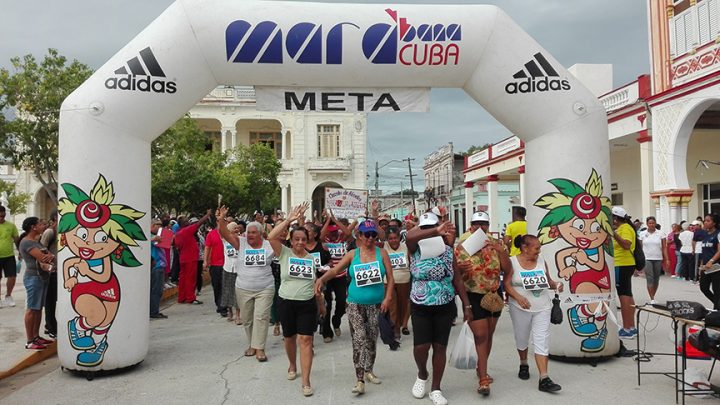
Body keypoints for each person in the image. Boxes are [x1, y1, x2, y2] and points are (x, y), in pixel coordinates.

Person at [315, 219, 394, 395]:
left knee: (372, 340)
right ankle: (359, 379)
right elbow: (336, 270)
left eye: (373, 234)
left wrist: (388, 298)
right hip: (355, 304)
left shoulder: (382, 253)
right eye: (367, 234)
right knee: (359, 339)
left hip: (376, 304)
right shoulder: (353, 254)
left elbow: (390, 277)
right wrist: (321, 279)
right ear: (359, 235)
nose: (370, 238)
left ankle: (369, 370)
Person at [407, 212, 470, 405]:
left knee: (440, 347)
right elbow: (409, 236)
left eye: (432, 227)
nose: (428, 232)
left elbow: (457, 278)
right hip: (420, 303)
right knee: (421, 347)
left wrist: (466, 305)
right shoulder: (414, 248)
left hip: (445, 303)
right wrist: (434, 230)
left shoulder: (447, 250)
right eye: (425, 228)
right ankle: (422, 373)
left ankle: (436, 388)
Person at [267, 202, 325, 397]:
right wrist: (289, 220)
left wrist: (320, 303)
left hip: (306, 303)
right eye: (296, 239)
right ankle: (292, 363)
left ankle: (306, 381)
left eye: (303, 239)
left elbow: (315, 283)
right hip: (286, 301)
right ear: (291, 240)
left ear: (307, 240)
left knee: (306, 339)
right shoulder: (283, 253)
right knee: (289, 338)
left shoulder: (311, 259)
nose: (300, 242)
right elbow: (271, 236)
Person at [454, 211, 511, 396]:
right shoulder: (462, 247)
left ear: (488, 226)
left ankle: (481, 367)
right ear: (470, 226)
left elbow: (507, 269)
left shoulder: (497, 244)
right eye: (476, 223)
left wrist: (501, 251)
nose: (480, 227)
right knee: (481, 335)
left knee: (489, 334)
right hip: (473, 295)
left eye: (483, 224)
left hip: (493, 294)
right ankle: (483, 379)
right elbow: (457, 277)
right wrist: (461, 271)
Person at [503, 235, 563, 392]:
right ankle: (523, 363)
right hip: (520, 307)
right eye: (536, 248)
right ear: (525, 247)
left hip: (543, 307)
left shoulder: (542, 261)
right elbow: (507, 285)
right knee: (522, 337)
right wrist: (518, 297)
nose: (539, 250)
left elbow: (549, 281)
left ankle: (544, 378)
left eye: (539, 247)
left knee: (541, 340)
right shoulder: (512, 262)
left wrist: (556, 284)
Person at [218, 215, 275, 362]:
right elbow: (224, 233)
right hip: (243, 288)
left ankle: (260, 348)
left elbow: (276, 234)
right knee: (247, 319)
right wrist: (221, 219)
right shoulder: (241, 243)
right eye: (249, 232)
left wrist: (287, 221)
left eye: (254, 232)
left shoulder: (269, 245)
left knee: (261, 317)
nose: (250, 235)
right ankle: (252, 344)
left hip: (265, 287)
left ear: (261, 234)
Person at [18, 217, 54, 349]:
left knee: (38, 309)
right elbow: (43, 257)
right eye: (40, 224)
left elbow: (50, 256)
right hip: (33, 278)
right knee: (32, 309)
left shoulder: (37, 242)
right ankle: (30, 341)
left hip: (42, 278)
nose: (43, 226)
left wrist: (50, 256)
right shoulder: (27, 242)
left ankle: (36, 336)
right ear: (33, 227)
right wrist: (49, 257)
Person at [174, 211, 212, 304]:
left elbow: (177, 247)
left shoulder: (178, 234)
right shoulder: (187, 230)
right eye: (187, 221)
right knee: (191, 278)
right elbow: (199, 223)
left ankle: (182, 297)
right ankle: (190, 297)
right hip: (190, 258)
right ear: (184, 223)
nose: (189, 223)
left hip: (183, 258)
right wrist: (207, 215)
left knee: (183, 279)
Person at [612, 206, 637, 339]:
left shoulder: (625, 228)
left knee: (624, 296)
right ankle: (631, 326)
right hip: (625, 264)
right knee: (627, 294)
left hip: (622, 264)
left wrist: (614, 234)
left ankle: (627, 328)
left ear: (615, 218)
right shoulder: (624, 228)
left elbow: (626, 244)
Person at [384, 227, 411, 338]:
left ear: (399, 238)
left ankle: (399, 324)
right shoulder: (384, 247)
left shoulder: (406, 247)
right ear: (387, 239)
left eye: (395, 238)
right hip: (388, 281)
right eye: (390, 238)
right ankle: (395, 330)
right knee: (392, 305)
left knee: (403, 305)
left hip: (404, 281)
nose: (393, 240)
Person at [639, 217, 667, 304]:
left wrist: (667, 259)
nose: (651, 225)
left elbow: (664, 247)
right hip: (647, 258)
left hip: (658, 258)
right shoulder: (642, 233)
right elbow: (640, 247)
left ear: (655, 223)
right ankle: (652, 298)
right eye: (650, 223)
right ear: (647, 224)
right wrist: (639, 258)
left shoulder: (660, 233)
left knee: (656, 278)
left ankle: (653, 295)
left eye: (653, 223)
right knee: (650, 278)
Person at [40, 211, 59, 337]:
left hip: (61, 272)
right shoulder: (50, 232)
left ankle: (52, 325)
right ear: (55, 218)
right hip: (52, 272)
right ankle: (50, 326)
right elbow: (41, 249)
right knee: (50, 301)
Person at [204, 220, 228, 317]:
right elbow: (207, 247)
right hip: (214, 264)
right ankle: (218, 303)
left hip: (226, 264)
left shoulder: (228, 234)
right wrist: (205, 261)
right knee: (216, 285)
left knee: (224, 285)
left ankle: (223, 307)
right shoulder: (211, 234)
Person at [220, 222, 241, 324]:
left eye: (237, 228)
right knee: (227, 291)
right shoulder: (225, 241)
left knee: (238, 293)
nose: (236, 230)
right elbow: (222, 231)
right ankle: (230, 312)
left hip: (239, 269)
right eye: (234, 228)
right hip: (228, 268)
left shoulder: (241, 240)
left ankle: (238, 315)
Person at [698, 214, 720, 310]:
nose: (705, 223)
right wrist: (701, 265)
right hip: (706, 266)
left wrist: (712, 261)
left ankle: (717, 310)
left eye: (708, 221)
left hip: (716, 266)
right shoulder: (705, 235)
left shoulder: (718, 234)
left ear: (714, 223)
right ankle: (718, 304)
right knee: (703, 287)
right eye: (705, 221)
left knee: (717, 290)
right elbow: (704, 251)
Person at [0, 205, 19, 307]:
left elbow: (16, 239)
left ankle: (8, 295)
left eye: (3, 216)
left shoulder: (11, 226)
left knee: (12, 277)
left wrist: (20, 252)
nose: (1, 218)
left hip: (9, 256)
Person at [149, 219, 168, 319]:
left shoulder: (159, 237)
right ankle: (153, 311)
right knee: (155, 290)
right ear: (152, 225)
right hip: (155, 266)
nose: (160, 227)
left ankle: (155, 309)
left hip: (161, 265)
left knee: (159, 290)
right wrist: (154, 239)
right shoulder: (149, 236)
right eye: (158, 225)